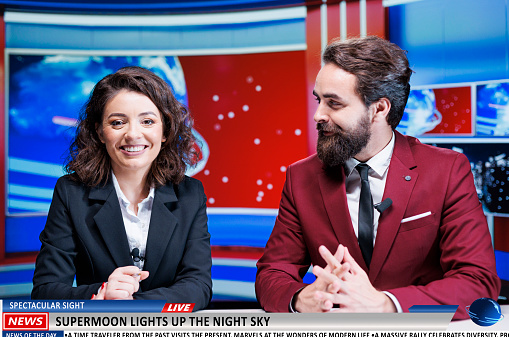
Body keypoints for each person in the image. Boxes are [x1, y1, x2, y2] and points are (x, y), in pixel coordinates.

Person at [255, 36, 500, 319]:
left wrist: (387, 305)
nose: (318, 115)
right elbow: (272, 274)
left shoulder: (447, 171)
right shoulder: (301, 177)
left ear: (380, 109)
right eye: (318, 100)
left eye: (333, 103)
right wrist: (299, 298)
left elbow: (478, 283)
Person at [32, 66, 212, 309]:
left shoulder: (190, 194)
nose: (133, 134)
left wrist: (130, 306)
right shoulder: (70, 192)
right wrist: (102, 293)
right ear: (99, 131)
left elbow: (198, 286)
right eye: (118, 122)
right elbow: (45, 291)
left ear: (165, 131)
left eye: (147, 121)